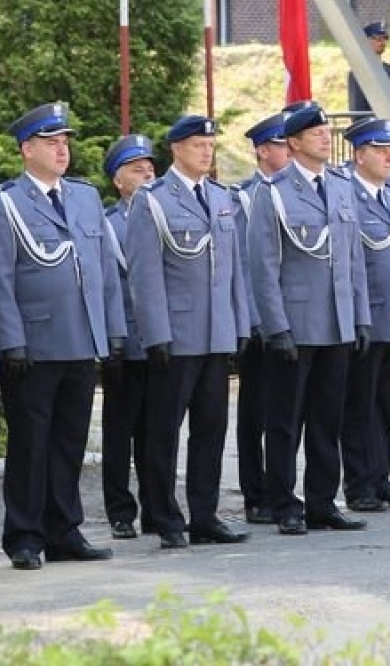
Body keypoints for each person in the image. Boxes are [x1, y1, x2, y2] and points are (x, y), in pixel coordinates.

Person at [0, 102, 125, 570]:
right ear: (26, 149)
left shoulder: (82, 197)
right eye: (50, 142)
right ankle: (24, 535)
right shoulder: (5, 203)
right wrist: (10, 339)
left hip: (81, 338)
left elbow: (105, 271)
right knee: (30, 442)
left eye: (64, 142)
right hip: (34, 344)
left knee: (70, 441)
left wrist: (113, 331)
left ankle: (65, 530)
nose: (62, 150)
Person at [245, 102, 371, 535]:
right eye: (314, 131)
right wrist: (275, 326)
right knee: (285, 420)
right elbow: (263, 267)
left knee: (326, 418)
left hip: (336, 321)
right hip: (295, 324)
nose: (323, 136)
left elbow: (352, 257)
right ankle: (283, 503)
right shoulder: (274, 192)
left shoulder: (340, 187)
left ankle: (322, 501)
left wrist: (360, 316)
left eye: (325, 130)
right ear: (294, 142)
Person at [127, 116, 252, 549]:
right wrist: (156, 333)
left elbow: (234, 269)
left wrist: (239, 323)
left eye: (210, 144)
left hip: (216, 331)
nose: (206, 151)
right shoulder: (154, 200)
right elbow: (145, 274)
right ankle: (164, 517)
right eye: (198, 144)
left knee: (211, 428)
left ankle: (205, 514)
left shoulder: (220, 197)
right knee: (164, 430)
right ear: (177, 148)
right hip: (176, 333)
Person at [339, 117, 390, 513]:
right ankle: (358, 484)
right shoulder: (346, 195)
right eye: (381, 150)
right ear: (359, 155)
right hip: (368, 318)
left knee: (385, 405)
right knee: (360, 405)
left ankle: (380, 477)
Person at [232, 111, 289, 526]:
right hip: (260, 324)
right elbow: (244, 265)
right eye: (282, 145)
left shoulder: (299, 193)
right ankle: (256, 494)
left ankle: (283, 487)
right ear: (263, 152)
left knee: (286, 413)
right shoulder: (244, 198)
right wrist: (253, 320)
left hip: (293, 319)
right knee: (256, 414)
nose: (289, 152)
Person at [99, 134, 157, 541]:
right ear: (118, 181)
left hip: (162, 340)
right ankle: (121, 511)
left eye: (151, 168)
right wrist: (113, 335)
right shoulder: (106, 224)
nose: (148, 174)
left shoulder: (165, 215)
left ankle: (158, 508)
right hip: (125, 340)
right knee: (121, 432)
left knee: (158, 432)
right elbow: (106, 286)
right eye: (137, 170)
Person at [347, 22, 390, 113]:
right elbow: (357, 108)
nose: (382, 42)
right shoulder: (358, 72)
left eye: (384, 38)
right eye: (377, 38)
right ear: (366, 41)